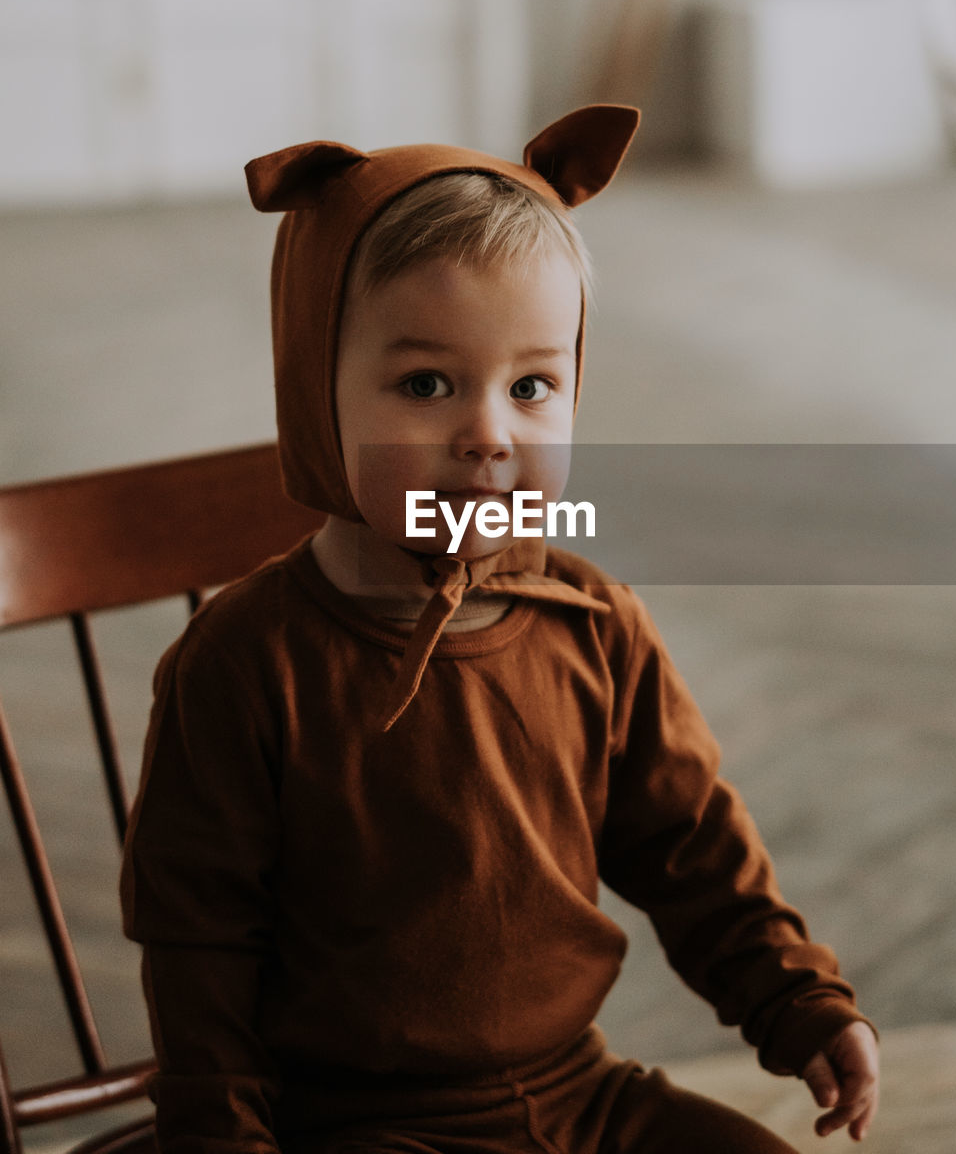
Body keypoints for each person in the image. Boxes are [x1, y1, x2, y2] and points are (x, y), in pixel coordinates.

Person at [120, 105, 879, 1154]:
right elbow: (197, 946)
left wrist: (802, 1003)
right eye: (425, 383)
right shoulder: (244, 664)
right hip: (356, 1120)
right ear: (314, 394)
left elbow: (691, 845)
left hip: (581, 1091)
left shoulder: (594, 624)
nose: (487, 433)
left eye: (532, 385)